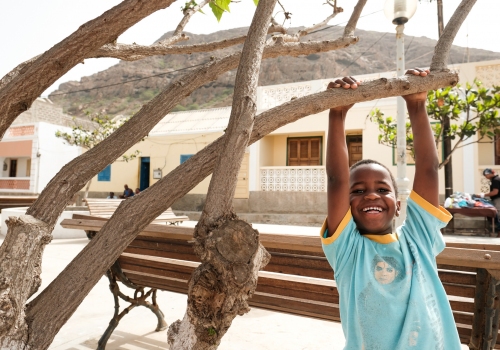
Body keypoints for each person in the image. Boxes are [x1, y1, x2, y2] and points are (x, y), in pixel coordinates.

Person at [321, 69, 461, 349]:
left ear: (398, 206)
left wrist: (417, 104)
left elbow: (429, 169)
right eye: (358, 191)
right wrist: (336, 114)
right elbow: (337, 180)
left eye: (383, 190)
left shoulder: (418, 240)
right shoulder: (347, 250)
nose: (371, 195)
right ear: (345, 207)